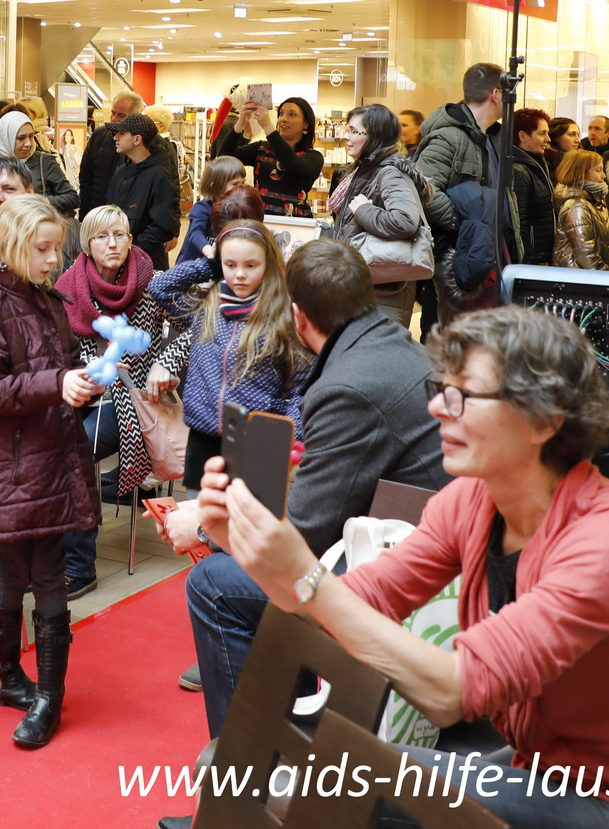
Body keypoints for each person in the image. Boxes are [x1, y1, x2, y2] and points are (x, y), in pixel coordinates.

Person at [205, 304, 609, 829]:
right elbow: (353, 604)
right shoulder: (473, 501)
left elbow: (448, 693)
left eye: (462, 395)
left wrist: (306, 574)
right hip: (543, 768)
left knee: (292, 782)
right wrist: (258, 554)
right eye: (440, 388)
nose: (438, 407)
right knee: (244, 767)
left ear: (544, 419)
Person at [169, 241, 446, 737]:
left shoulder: (348, 385)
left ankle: (246, 764)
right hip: (422, 542)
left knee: (213, 583)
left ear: (298, 316)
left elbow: (304, 533)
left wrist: (207, 526)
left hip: (414, 570)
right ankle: (285, 734)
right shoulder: (393, 345)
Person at [0, 194, 98, 748]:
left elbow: (59, 366)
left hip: (43, 453)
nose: (51, 259)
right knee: (34, 571)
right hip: (15, 460)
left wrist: (83, 379)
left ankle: (11, 680)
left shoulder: (46, 298)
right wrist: (58, 384)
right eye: (41, 249)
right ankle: (42, 695)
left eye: (55, 249)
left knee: (27, 568)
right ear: (12, 247)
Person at [55, 204, 186, 598]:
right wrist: (85, 369)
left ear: (130, 240)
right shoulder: (67, 286)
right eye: (101, 236)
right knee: (42, 442)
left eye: (119, 235)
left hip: (131, 398)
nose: (112, 243)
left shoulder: (152, 283)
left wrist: (165, 361)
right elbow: (55, 348)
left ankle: (78, 566)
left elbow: (202, 325)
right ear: (87, 244)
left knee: (74, 450)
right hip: (80, 391)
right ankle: (48, 557)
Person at [149, 216, 310, 489]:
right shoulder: (207, 307)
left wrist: (288, 434)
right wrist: (211, 266)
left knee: (245, 514)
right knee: (200, 511)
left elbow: (302, 388)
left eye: (251, 265)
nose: (240, 274)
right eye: (230, 265)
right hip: (203, 437)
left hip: (256, 439)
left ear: (269, 264)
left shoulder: (283, 317)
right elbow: (160, 288)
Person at [330, 104, 449, 328]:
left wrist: (364, 211)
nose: (346, 136)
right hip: (368, 285)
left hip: (383, 291)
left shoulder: (389, 172)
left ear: (375, 136)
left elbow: (405, 221)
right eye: (348, 130)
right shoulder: (365, 169)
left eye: (354, 131)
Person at [415, 63, 520, 258]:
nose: (513, 100)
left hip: (490, 250)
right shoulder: (448, 138)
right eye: (509, 93)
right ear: (496, 94)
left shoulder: (495, 138)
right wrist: (464, 223)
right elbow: (424, 191)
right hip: (457, 254)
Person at [212, 95, 325, 217]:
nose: (283, 119)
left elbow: (292, 163)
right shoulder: (261, 148)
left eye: (292, 115)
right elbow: (225, 157)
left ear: (306, 124)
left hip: (295, 223)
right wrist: (241, 122)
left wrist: (268, 127)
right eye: (281, 114)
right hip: (260, 220)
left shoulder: (314, 157)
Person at [104, 112, 180, 270]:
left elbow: (163, 225)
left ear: (137, 139)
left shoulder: (159, 175)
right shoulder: (121, 172)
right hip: (118, 259)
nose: (115, 137)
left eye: (122, 133)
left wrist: (132, 247)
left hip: (147, 264)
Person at [0, 110, 77, 215]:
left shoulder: (44, 162)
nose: (28, 143)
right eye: (21, 138)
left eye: (31, 136)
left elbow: (72, 197)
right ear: (7, 138)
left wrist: (40, 203)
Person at [80, 92, 145, 216]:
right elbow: (86, 178)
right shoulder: (99, 136)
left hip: (133, 218)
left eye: (121, 115)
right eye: (113, 113)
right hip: (99, 214)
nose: (114, 119)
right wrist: (85, 215)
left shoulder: (148, 143)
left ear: (135, 116)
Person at [508, 108, 557, 266]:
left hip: (541, 258)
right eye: (542, 133)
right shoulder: (518, 171)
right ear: (522, 136)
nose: (548, 139)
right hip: (532, 262)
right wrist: (527, 263)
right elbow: (520, 224)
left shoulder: (536, 164)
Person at [552, 150, 609, 269]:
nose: (603, 175)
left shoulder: (597, 201)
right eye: (598, 170)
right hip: (577, 275)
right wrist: (606, 274)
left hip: (594, 273)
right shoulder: (576, 205)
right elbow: (585, 253)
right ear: (581, 173)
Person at [183, 156, 248, 260]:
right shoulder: (202, 207)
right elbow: (196, 232)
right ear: (215, 186)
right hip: (192, 264)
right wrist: (209, 252)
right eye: (235, 184)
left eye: (243, 182)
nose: (240, 188)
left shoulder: (237, 209)